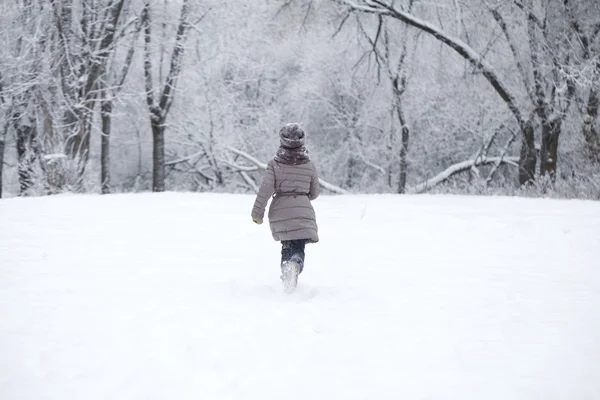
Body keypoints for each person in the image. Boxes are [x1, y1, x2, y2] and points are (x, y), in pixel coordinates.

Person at [251, 123, 320, 291]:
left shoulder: (275, 164)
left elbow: (265, 189)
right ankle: (296, 263)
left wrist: (257, 213)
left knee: (286, 245)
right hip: (303, 210)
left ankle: (286, 274)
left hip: (280, 210)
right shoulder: (309, 165)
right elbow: (315, 193)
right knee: (298, 247)